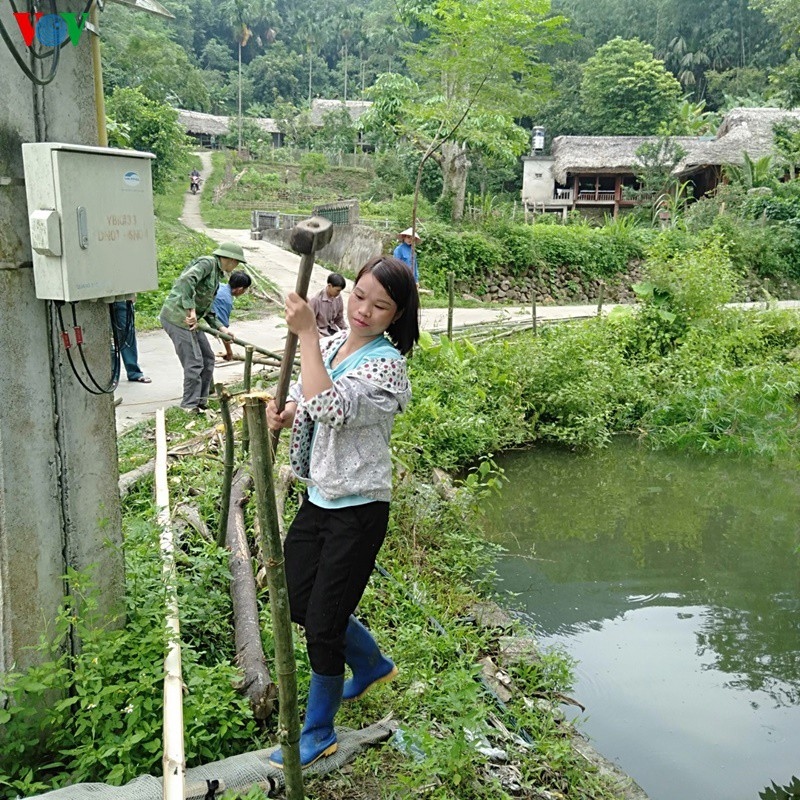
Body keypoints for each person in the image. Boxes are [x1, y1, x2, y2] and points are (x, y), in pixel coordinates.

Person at [266, 256, 420, 770]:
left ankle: (319, 731)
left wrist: (307, 335)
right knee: (294, 599)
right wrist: (286, 412)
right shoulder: (333, 345)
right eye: (359, 297)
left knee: (323, 627)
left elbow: (332, 406)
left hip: (359, 510)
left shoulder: (387, 367)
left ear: (395, 316)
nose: (363, 311)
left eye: (380, 306)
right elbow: (308, 399)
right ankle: (371, 662)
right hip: (319, 495)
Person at [159, 242, 248, 412]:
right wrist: (190, 309)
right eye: (236, 262)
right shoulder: (207, 263)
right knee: (194, 363)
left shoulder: (217, 274)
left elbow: (207, 305)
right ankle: (189, 406)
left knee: (207, 358)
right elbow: (186, 280)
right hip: (178, 318)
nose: (236, 266)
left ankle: (201, 401)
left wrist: (222, 328)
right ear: (229, 259)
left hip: (192, 321)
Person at [211, 270, 252, 360]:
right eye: (245, 289)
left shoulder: (220, 286)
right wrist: (229, 353)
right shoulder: (225, 300)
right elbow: (223, 330)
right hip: (188, 321)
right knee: (205, 358)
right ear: (240, 289)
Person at [111, 297, 150, 383]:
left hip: (121, 296)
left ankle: (134, 372)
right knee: (106, 337)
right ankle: (112, 374)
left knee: (127, 333)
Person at [309, 273, 347, 337]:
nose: (339, 293)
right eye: (337, 290)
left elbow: (339, 318)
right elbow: (310, 323)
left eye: (340, 291)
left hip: (331, 330)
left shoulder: (338, 298)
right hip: (319, 332)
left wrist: (346, 330)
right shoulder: (316, 299)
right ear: (329, 286)